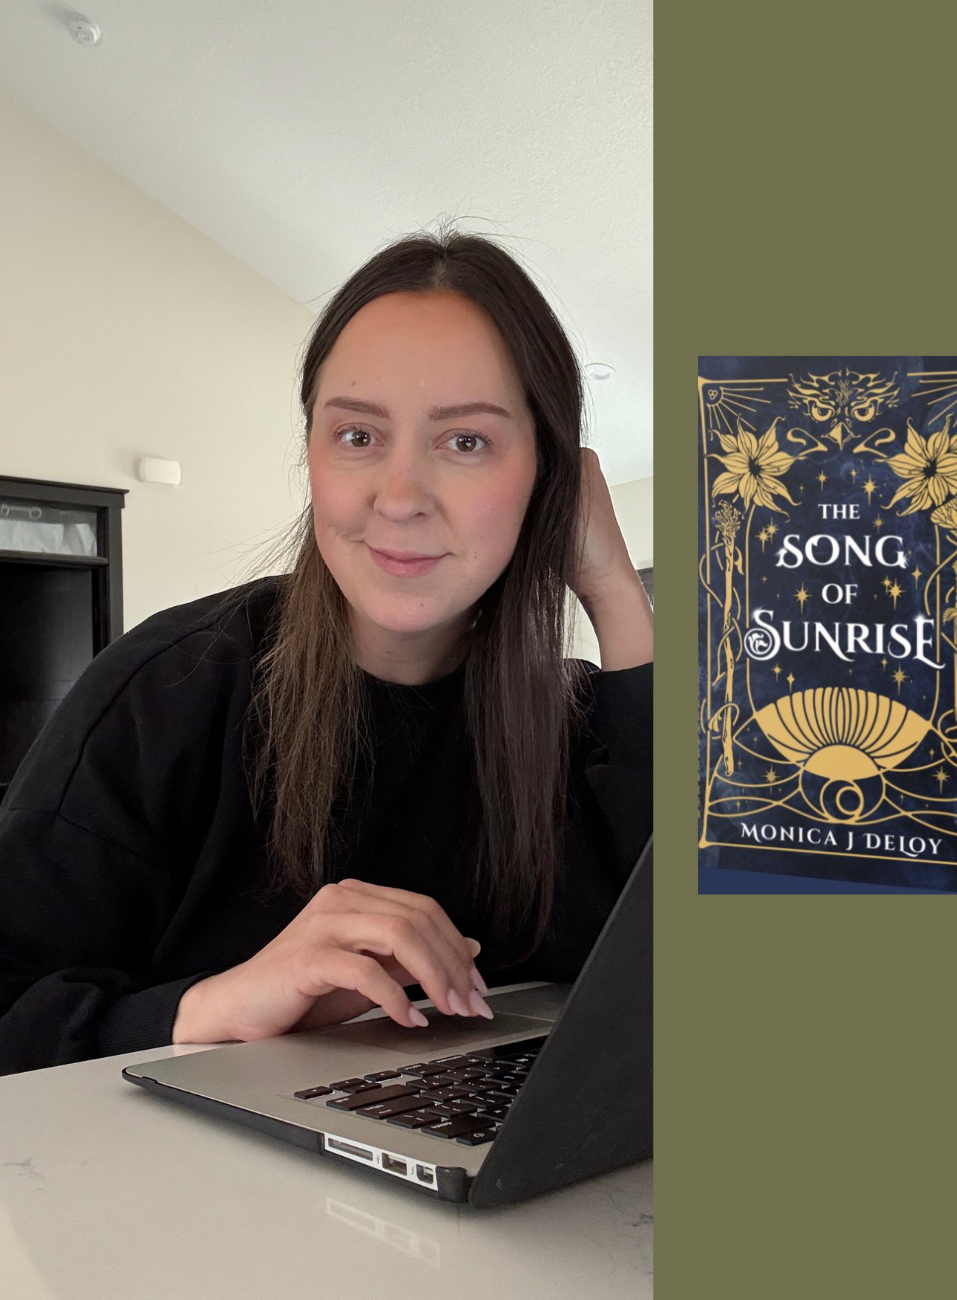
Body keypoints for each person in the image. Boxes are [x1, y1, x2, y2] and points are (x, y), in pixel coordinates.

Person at [0, 231, 653, 1075]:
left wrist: (615, 593)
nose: (400, 498)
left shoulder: (578, 723)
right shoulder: (166, 691)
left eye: (466, 441)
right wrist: (214, 1007)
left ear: (548, 477)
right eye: (357, 436)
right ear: (311, 455)